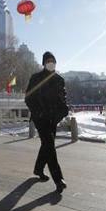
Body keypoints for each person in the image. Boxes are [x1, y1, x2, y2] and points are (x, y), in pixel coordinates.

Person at [25, 51, 69, 194]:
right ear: (44, 63)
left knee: (47, 145)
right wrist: (39, 112)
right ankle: (58, 179)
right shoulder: (36, 78)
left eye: (53, 61)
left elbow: (62, 100)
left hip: (53, 118)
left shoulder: (59, 80)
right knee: (50, 145)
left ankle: (38, 169)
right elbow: (29, 98)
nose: (51, 63)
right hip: (40, 118)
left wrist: (62, 112)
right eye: (48, 61)